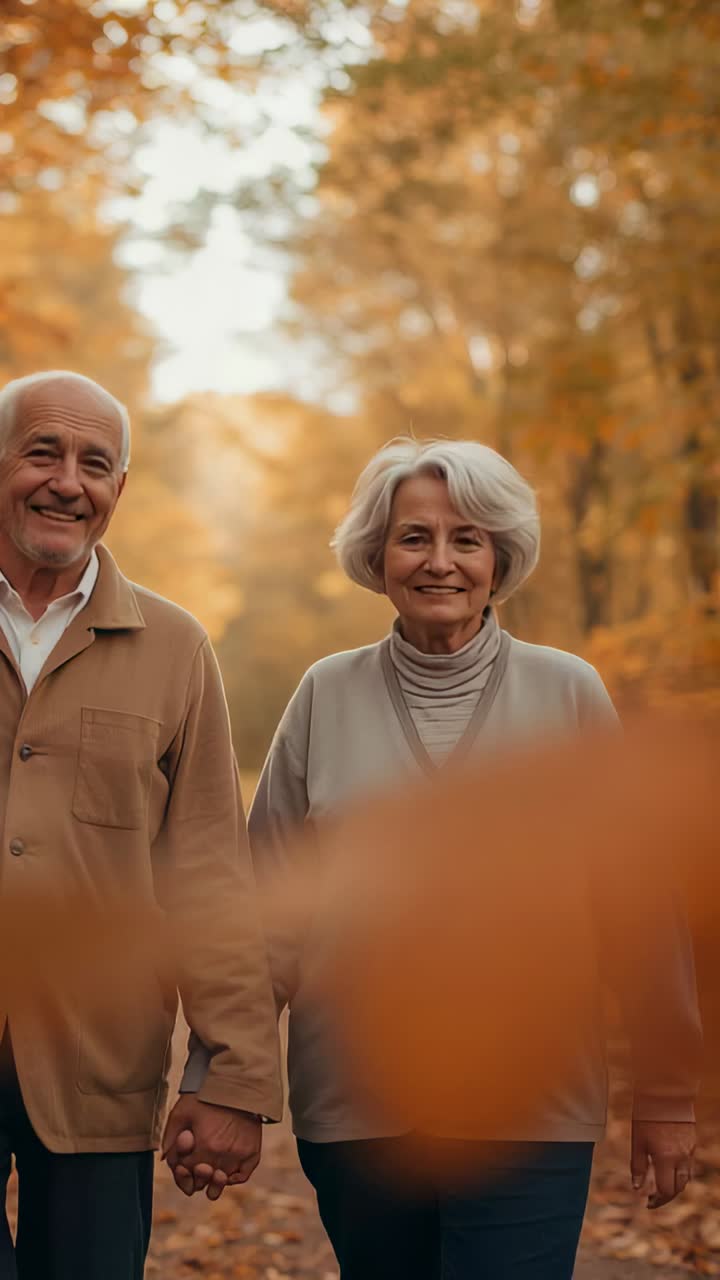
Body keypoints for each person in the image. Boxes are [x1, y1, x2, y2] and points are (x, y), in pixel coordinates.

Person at [184, 437, 702, 1279]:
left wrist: (668, 1094)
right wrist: (225, 1082)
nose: (440, 562)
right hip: (356, 1113)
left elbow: (640, 913)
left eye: (467, 539)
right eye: (414, 537)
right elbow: (262, 913)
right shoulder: (324, 694)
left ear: (500, 558)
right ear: (377, 555)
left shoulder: (569, 692)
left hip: (533, 1108)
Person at [0, 370, 282, 1280]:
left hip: (98, 1065)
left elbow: (210, 879)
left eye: (95, 465)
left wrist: (234, 1075)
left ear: (119, 490)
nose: (67, 483)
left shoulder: (175, 649)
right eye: (42, 453)